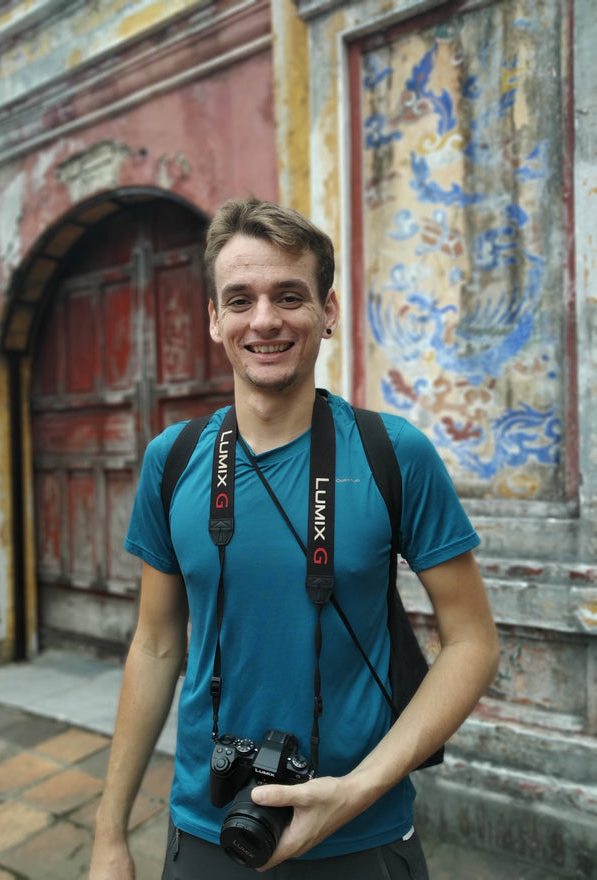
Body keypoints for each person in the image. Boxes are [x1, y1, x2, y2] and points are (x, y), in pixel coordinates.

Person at [89, 198, 499, 880]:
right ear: (215, 319)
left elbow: (473, 642)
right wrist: (109, 836)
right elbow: (157, 644)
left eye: (289, 296)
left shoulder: (395, 453)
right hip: (207, 823)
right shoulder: (173, 459)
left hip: (363, 827)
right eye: (240, 299)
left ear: (327, 312)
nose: (265, 320)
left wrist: (360, 788)